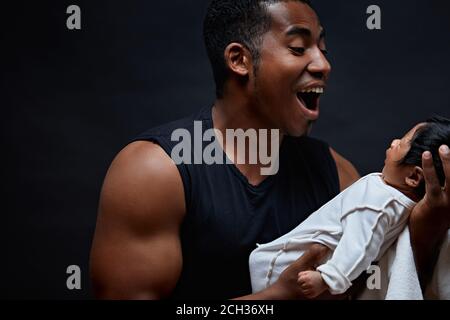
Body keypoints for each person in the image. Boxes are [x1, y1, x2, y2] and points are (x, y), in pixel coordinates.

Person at [89, 0, 450, 299]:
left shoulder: (338, 174)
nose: (324, 64)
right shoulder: (155, 171)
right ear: (239, 60)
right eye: (298, 47)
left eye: (322, 48)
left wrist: (426, 227)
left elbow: (381, 289)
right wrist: (275, 298)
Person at [249, 117, 450, 298]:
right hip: (292, 270)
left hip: (280, 268)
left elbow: (359, 245)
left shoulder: (379, 200)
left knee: (259, 261)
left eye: (403, 142)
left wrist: (329, 279)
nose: (393, 142)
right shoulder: (397, 201)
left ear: (414, 177)